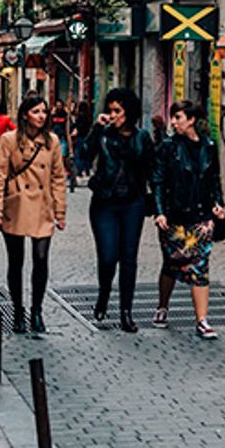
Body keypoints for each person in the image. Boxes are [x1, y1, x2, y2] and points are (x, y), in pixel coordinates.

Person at [0, 94, 66, 334]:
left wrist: (60, 211)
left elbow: (58, 178)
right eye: (36, 111)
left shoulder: (52, 141)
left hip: (42, 207)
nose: (41, 116)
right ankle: (18, 310)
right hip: (16, 204)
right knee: (16, 260)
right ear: (24, 114)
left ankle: (37, 310)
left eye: (44, 111)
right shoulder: (9, 140)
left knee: (41, 259)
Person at [151, 100, 225, 339]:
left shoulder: (209, 146)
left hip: (202, 217)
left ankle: (202, 320)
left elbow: (214, 179)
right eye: (173, 117)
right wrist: (160, 211)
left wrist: (219, 205)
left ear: (191, 120)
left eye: (178, 117)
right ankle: (163, 306)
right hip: (174, 216)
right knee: (172, 264)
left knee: (200, 267)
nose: (173, 122)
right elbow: (158, 181)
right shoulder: (168, 147)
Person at [80, 88, 153, 333]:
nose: (113, 115)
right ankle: (103, 294)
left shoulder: (142, 138)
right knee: (108, 256)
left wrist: (158, 205)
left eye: (117, 111)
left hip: (132, 203)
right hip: (104, 203)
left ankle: (126, 312)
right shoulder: (103, 135)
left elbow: (153, 171)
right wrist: (96, 128)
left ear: (129, 111)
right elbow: (84, 155)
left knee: (129, 259)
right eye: (110, 110)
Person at [72, 100, 93, 179]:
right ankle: (87, 170)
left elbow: (78, 126)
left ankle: (79, 171)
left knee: (78, 154)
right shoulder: (88, 116)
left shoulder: (80, 116)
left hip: (80, 137)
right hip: (87, 136)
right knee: (86, 155)